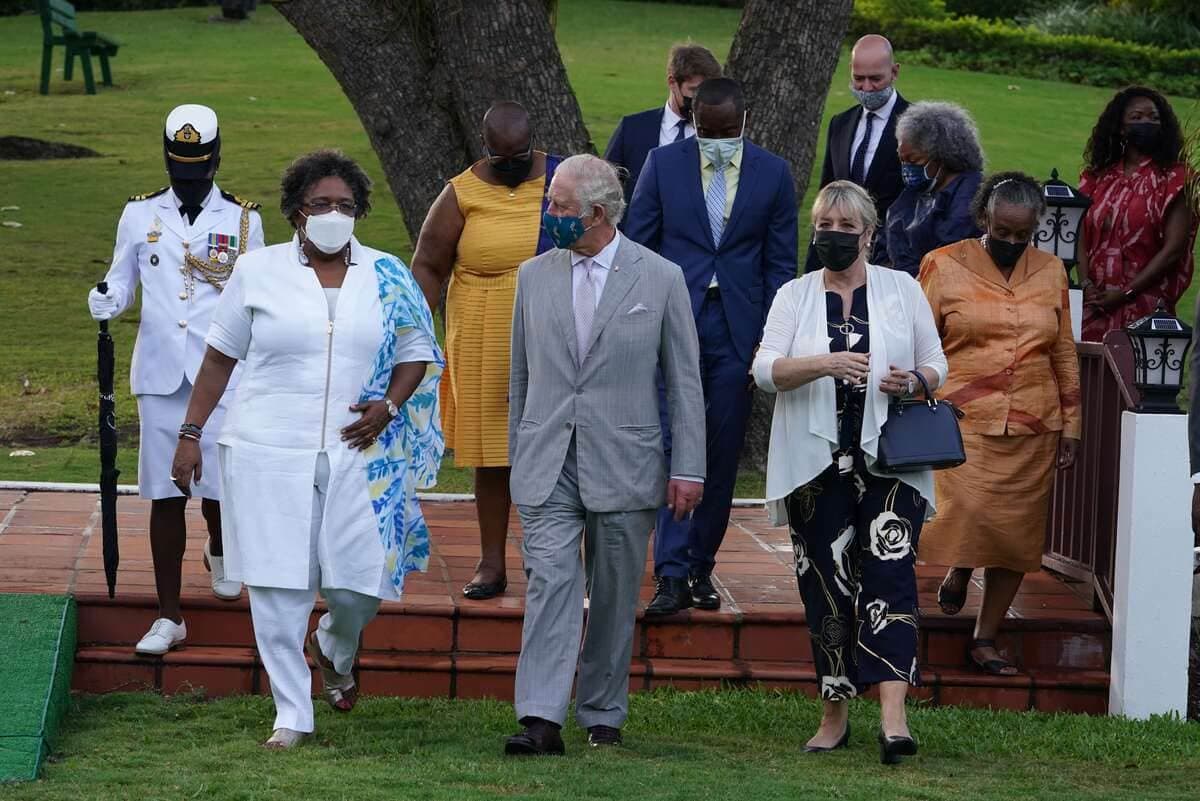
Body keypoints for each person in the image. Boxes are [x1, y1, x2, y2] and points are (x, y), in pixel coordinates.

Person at [170, 150, 443, 749]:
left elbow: (417, 351)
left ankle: (336, 645)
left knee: (357, 585)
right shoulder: (257, 271)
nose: (333, 214)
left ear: (359, 212)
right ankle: (292, 712)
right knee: (276, 583)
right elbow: (219, 357)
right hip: (268, 445)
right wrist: (190, 434)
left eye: (345, 206)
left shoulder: (386, 272)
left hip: (361, 450)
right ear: (297, 211)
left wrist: (389, 406)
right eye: (321, 204)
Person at [504, 155, 705, 756]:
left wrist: (688, 466)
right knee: (552, 581)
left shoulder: (661, 278)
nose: (549, 214)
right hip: (547, 460)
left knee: (616, 592)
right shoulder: (532, 276)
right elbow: (520, 375)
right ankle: (539, 718)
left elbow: (685, 381)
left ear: (595, 213)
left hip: (626, 459)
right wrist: (520, 452)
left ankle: (602, 712)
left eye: (559, 206)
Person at [753, 181, 946, 765]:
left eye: (845, 228)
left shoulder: (901, 289)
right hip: (817, 464)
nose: (832, 237)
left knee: (891, 580)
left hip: (890, 460)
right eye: (824, 226)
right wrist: (824, 364)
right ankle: (834, 714)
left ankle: (893, 718)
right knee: (826, 590)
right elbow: (765, 370)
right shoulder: (794, 294)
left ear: (869, 234)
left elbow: (936, 365)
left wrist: (912, 382)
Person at [87, 104, 264, 655]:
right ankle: (169, 615)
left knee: (219, 481)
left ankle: (219, 547)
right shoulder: (140, 215)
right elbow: (123, 280)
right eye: (179, 167)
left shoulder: (243, 220)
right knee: (166, 491)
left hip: (222, 373)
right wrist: (107, 300)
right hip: (163, 373)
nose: (188, 178)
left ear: (215, 160)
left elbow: (256, 293)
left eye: (198, 167)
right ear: (168, 159)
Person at [626, 76, 797, 615]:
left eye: (725, 132)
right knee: (676, 442)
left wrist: (768, 341)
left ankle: (701, 566)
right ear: (693, 120)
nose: (715, 140)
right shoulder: (663, 163)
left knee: (721, 451)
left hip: (738, 329)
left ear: (743, 124)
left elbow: (779, 265)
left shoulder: (773, 173)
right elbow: (639, 247)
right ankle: (671, 574)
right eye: (706, 130)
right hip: (674, 322)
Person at [918, 173, 1081, 677]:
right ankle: (959, 567)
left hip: (1034, 420)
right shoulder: (943, 264)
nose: (1012, 242)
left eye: (1022, 235)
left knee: (1014, 534)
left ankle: (986, 636)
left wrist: (1072, 424)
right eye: (1003, 231)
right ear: (985, 217)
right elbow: (921, 341)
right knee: (962, 511)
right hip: (961, 417)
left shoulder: (1052, 270)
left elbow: (1063, 351)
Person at [411, 101, 562, 601]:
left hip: (553, 330)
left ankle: (551, 560)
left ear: (533, 141)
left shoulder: (563, 179)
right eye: (503, 157)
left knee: (555, 448)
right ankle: (491, 562)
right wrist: (415, 329)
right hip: (482, 333)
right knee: (493, 457)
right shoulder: (461, 191)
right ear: (487, 150)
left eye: (521, 154)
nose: (514, 163)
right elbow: (429, 264)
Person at [1078, 85, 1198, 341]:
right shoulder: (1097, 178)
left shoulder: (1176, 179)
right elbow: (1077, 231)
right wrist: (1085, 284)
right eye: (1137, 117)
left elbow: (1174, 250)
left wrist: (1126, 293)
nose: (1147, 122)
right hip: (1093, 306)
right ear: (1121, 127)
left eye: (1154, 117)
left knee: (1134, 379)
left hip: (1146, 310)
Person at [805, 34, 909, 271]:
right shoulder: (840, 124)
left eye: (876, 79)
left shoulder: (914, 124)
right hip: (837, 255)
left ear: (894, 72)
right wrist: (813, 264)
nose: (867, 88)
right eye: (858, 78)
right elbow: (828, 192)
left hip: (890, 258)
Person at [603, 43, 722, 208]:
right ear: (672, 82)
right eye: (694, 90)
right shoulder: (632, 129)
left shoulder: (720, 133)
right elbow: (604, 187)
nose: (701, 98)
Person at [885, 101, 984, 276]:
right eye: (902, 160)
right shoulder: (919, 189)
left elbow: (951, 249)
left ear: (941, 156)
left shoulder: (970, 192)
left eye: (914, 161)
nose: (907, 168)